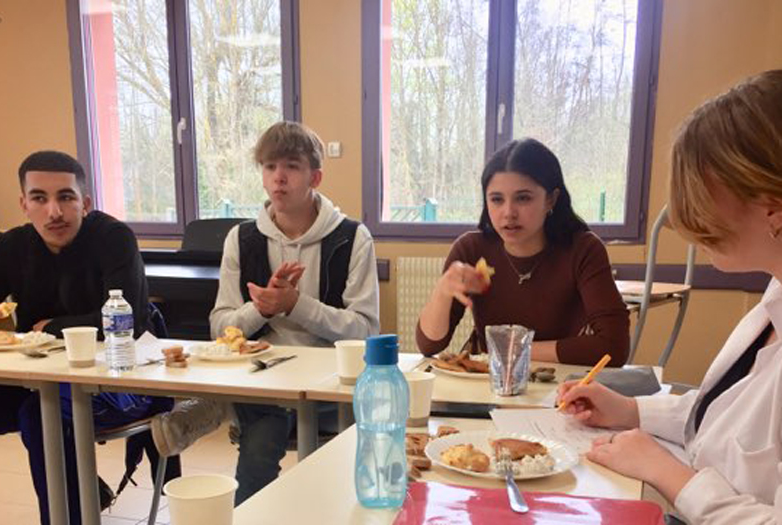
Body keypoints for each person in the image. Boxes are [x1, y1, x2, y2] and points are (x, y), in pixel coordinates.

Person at [557, 70, 782, 524]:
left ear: (772, 203)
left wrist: (667, 473)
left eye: (702, 194)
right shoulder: (773, 297)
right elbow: (721, 420)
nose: (686, 218)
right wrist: (628, 410)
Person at [151, 121, 380, 504]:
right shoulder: (242, 239)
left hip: (329, 386)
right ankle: (213, 409)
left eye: (291, 166)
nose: (279, 177)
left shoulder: (353, 238)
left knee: (297, 461)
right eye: (270, 166)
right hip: (261, 384)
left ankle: (206, 411)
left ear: (315, 177)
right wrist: (260, 308)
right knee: (260, 443)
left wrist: (295, 305)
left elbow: (366, 331)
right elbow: (220, 327)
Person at [0, 150, 175, 525]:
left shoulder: (113, 239)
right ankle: (80, 491)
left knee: (40, 416)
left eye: (66, 197)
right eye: (39, 198)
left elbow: (127, 322)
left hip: (122, 378)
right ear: (24, 204)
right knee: (39, 409)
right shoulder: (11, 247)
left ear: (86, 202)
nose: (54, 212)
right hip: (39, 381)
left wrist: (50, 327)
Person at [417, 138, 629, 366]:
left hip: (562, 383)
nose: (508, 212)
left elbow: (614, 347)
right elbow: (429, 346)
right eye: (496, 199)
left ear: (551, 200)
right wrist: (442, 291)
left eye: (523, 198)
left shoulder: (583, 249)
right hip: (489, 382)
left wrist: (513, 349)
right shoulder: (471, 249)